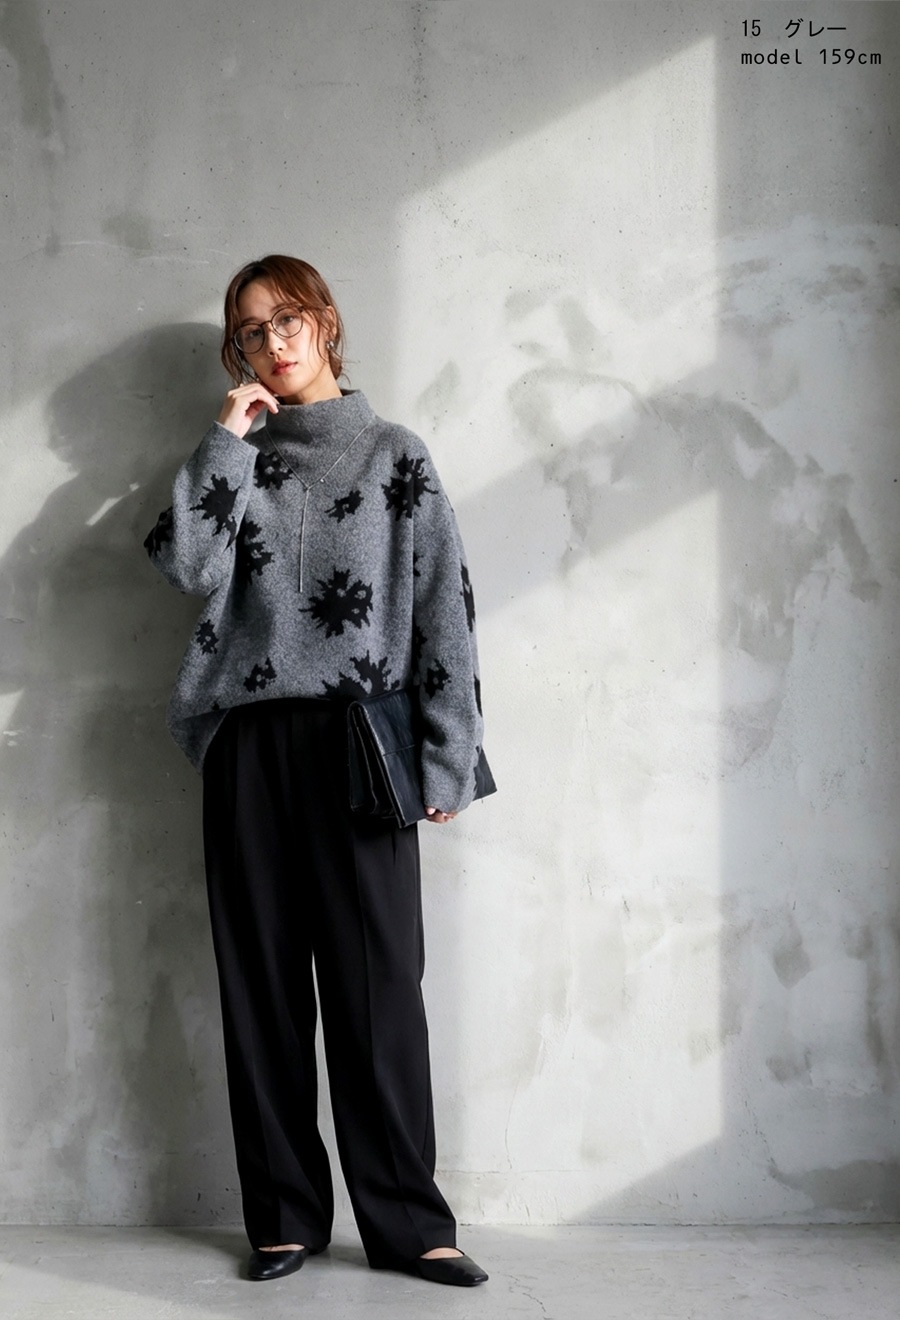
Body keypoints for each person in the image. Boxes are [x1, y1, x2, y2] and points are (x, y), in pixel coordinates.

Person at [142, 255, 490, 1288]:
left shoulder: (395, 456)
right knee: (260, 990)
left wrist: (448, 754)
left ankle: (410, 1223)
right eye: (250, 331)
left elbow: (445, 609)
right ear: (237, 353)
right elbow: (183, 564)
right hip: (249, 744)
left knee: (379, 988)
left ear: (326, 322)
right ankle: (284, 1218)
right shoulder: (235, 460)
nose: (273, 341)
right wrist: (226, 439)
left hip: (362, 742)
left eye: (287, 318)